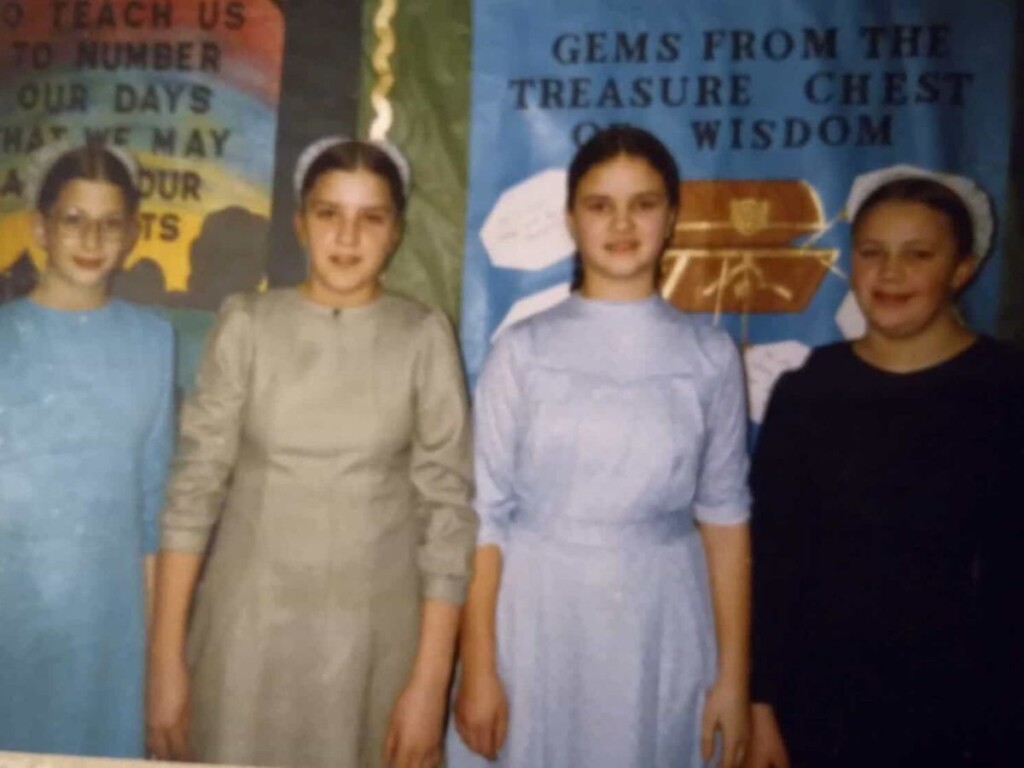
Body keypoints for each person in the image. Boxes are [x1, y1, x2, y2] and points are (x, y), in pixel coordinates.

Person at [146, 136, 476, 768]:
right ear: (300, 223)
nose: (347, 237)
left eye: (370, 218)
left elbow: (449, 517)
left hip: (375, 648)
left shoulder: (423, 337)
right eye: (329, 214)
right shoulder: (247, 323)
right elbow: (191, 496)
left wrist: (430, 685)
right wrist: (165, 662)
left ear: (397, 232)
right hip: (245, 640)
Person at [448, 124, 752, 768]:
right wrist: (479, 669)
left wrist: (732, 677)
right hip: (537, 619)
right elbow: (484, 519)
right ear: (571, 219)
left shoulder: (710, 355)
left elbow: (726, 518)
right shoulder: (522, 351)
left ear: (671, 218)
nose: (622, 223)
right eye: (599, 205)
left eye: (642, 203)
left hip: (661, 620)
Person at [745, 167, 1024, 768]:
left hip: (973, 713)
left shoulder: (1006, 391)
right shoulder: (809, 390)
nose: (890, 273)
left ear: (962, 269)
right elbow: (774, 559)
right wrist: (759, 703)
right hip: (820, 707)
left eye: (917, 254)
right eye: (872, 253)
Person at [0, 140, 174, 757]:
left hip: (107, 637)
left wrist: (159, 656)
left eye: (109, 223)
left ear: (130, 235)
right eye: (74, 219)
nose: (91, 238)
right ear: (40, 228)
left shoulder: (153, 343)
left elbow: (153, 515)